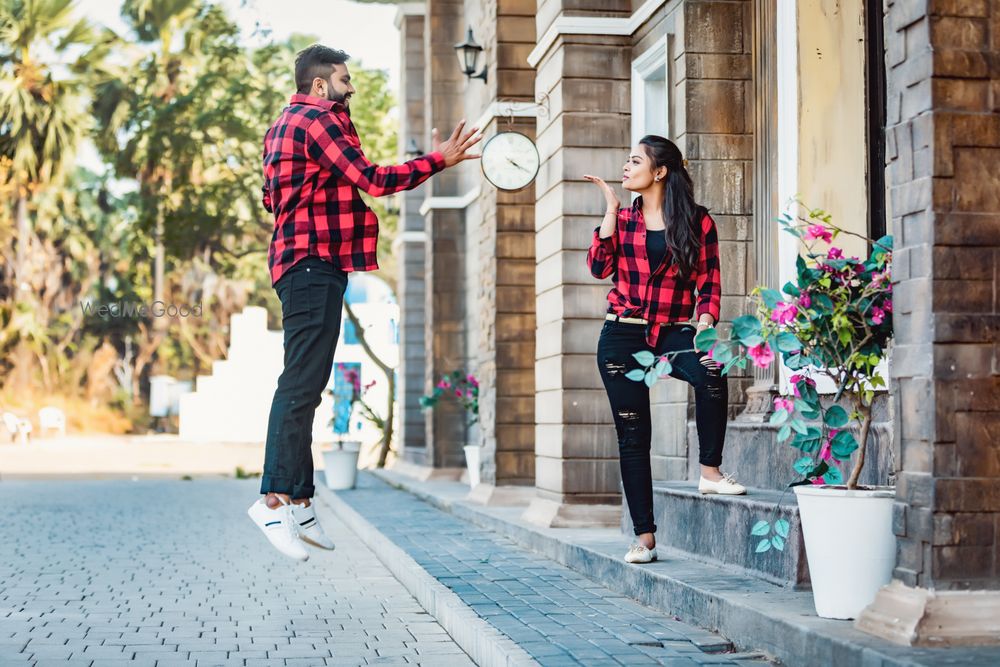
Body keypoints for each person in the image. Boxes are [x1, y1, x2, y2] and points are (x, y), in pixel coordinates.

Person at [248, 45, 481, 561]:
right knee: (299, 385)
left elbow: (273, 198)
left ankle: (303, 502)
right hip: (311, 264)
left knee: (306, 385)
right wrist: (438, 161)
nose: (350, 88)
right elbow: (373, 180)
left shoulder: (283, 125)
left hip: (304, 264)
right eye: (344, 80)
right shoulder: (318, 119)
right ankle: (272, 499)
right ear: (318, 84)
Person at [584, 135, 746, 566]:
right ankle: (644, 538)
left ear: (659, 172)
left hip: (671, 333)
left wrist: (706, 323)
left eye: (635, 160)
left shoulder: (697, 222)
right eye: (626, 159)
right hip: (621, 336)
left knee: (712, 368)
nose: (626, 166)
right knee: (634, 436)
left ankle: (709, 472)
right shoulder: (624, 220)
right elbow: (599, 268)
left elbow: (709, 282)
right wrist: (610, 214)